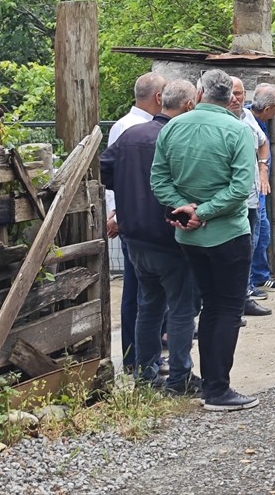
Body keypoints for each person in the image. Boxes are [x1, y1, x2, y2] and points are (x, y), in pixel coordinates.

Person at [151, 68, 259, 412]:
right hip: (228, 233)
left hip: (189, 236)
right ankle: (217, 388)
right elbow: (241, 187)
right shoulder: (238, 131)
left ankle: (212, 385)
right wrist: (206, 211)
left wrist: (186, 209)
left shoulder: (172, 128)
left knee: (210, 305)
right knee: (227, 309)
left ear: (199, 94)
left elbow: (158, 180)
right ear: (231, 98)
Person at [100, 78, 200, 395]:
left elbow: (104, 170)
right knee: (181, 309)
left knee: (148, 306)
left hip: (135, 238)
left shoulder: (130, 136)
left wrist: (128, 196)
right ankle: (180, 377)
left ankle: (145, 375)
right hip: (170, 236)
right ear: (188, 105)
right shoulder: (179, 137)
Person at [105, 72, 166, 374]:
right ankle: (133, 356)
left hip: (141, 218)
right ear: (159, 97)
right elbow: (113, 175)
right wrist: (117, 214)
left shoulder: (139, 125)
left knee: (147, 291)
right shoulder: (128, 127)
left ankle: (148, 352)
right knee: (135, 291)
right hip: (135, 220)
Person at [229, 76, 272, 318]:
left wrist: (263, 168)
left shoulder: (247, 116)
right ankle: (232, 303)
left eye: (240, 93)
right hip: (229, 201)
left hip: (252, 197)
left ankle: (244, 296)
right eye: (231, 93)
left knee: (250, 245)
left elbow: (263, 143)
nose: (236, 98)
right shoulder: (220, 121)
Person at [249, 81, 275, 292]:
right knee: (254, 235)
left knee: (262, 233)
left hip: (260, 190)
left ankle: (259, 276)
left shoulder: (258, 115)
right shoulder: (248, 123)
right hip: (252, 190)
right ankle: (248, 284)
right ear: (267, 110)